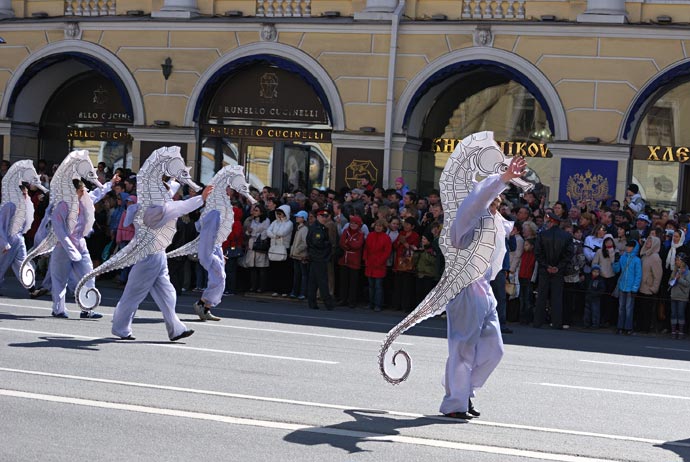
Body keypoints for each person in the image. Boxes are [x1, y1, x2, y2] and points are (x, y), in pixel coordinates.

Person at [440, 156, 527, 420]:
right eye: (491, 204)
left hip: (484, 290)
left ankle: (463, 389)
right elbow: (478, 198)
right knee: (462, 349)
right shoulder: (465, 220)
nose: (495, 210)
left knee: (494, 350)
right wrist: (502, 179)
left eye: (498, 206)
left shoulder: (494, 224)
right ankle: (455, 402)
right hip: (465, 289)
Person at [111, 181, 213, 341]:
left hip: (157, 256)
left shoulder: (150, 205)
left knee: (168, 294)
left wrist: (175, 177)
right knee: (133, 294)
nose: (167, 195)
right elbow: (181, 206)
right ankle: (120, 328)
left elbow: (171, 190)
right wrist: (201, 198)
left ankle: (176, 329)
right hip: (148, 257)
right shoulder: (154, 210)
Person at [534, 212, 573, 329]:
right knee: (557, 297)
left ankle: (538, 322)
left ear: (551, 222)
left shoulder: (542, 235)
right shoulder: (566, 236)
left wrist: (547, 266)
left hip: (545, 270)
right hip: (558, 271)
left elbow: (538, 253)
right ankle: (556, 322)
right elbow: (569, 255)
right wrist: (558, 267)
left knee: (541, 296)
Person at [306, 209, 335, 310]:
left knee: (313, 281)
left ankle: (312, 302)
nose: (324, 218)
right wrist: (327, 244)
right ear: (318, 217)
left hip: (318, 256)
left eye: (326, 216)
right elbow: (317, 242)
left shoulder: (321, 227)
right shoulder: (317, 228)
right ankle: (328, 303)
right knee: (322, 281)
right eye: (322, 216)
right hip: (319, 257)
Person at [613, 240, 642, 335]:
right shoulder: (623, 257)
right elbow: (617, 270)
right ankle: (620, 326)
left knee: (628, 308)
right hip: (622, 286)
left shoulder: (637, 260)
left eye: (630, 246)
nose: (628, 248)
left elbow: (638, 275)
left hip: (630, 287)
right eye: (627, 246)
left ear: (634, 248)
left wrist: (635, 288)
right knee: (621, 307)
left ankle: (628, 327)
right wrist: (616, 261)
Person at [336, 215, 365, 308]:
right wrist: (348, 244)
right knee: (343, 281)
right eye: (352, 223)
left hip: (354, 261)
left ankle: (352, 301)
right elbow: (341, 243)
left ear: (359, 225)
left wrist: (347, 243)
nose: (353, 225)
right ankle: (343, 299)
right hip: (344, 259)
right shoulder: (346, 231)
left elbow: (357, 245)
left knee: (353, 282)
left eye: (355, 223)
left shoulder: (361, 234)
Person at [363, 219, 391, 312]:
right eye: (377, 225)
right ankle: (371, 303)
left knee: (378, 286)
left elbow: (387, 252)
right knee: (371, 286)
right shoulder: (370, 236)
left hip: (380, 265)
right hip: (370, 264)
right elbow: (366, 249)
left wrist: (379, 261)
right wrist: (366, 259)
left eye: (380, 226)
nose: (378, 227)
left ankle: (378, 304)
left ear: (383, 227)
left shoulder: (386, 237)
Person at [288, 210, 309, 300]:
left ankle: (302, 292)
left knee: (303, 275)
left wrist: (296, 250)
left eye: (298, 216)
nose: (296, 218)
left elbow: (305, 243)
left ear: (303, 218)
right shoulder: (299, 228)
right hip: (296, 255)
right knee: (297, 274)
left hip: (301, 256)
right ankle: (295, 292)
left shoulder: (304, 229)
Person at [668, 253, 690, 339]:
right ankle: (673, 331)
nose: (676, 261)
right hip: (673, 295)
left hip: (682, 297)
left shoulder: (687, 272)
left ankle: (681, 332)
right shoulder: (674, 270)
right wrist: (672, 280)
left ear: (682, 262)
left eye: (677, 260)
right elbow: (670, 281)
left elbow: (687, 284)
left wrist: (679, 279)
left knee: (680, 314)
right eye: (676, 260)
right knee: (673, 314)